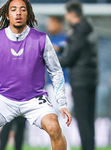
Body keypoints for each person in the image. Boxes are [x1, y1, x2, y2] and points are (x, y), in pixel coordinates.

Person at [0, 0, 72, 150]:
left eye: (23, 9)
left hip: (34, 99)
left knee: (54, 127)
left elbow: (56, 71)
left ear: (28, 14)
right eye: (14, 9)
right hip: (4, 98)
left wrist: (62, 103)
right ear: (7, 14)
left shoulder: (42, 39)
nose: (18, 13)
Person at [58, 1, 98, 150]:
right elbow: (81, 51)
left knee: (82, 120)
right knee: (89, 119)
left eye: (66, 13)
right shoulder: (89, 28)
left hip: (80, 80)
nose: (65, 16)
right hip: (91, 78)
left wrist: (49, 59)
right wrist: (61, 49)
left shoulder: (77, 32)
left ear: (72, 14)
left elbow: (69, 59)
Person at [45, 16, 73, 150]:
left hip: (65, 84)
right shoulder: (47, 40)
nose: (48, 25)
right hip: (50, 84)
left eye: (51, 22)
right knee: (53, 116)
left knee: (64, 115)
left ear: (58, 23)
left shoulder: (66, 40)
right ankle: (56, 146)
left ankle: (67, 146)